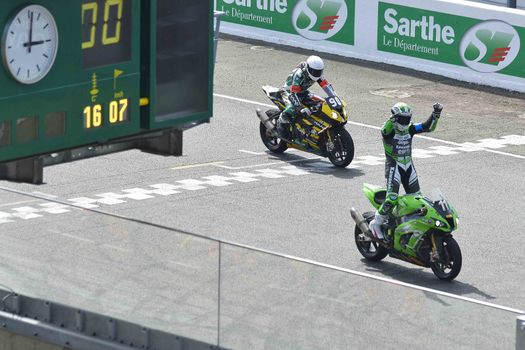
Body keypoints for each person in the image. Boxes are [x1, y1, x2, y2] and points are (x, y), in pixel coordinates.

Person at [369, 102, 443, 240]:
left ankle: (407, 226)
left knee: (417, 199)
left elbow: (428, 127)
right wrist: (392, 120)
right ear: (395, 118)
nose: (405, 122)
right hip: (394, 167)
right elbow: (385, 131)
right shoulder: (388, 130)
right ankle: (376, 223)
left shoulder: (410, 129)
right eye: (402, 119)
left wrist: (436, 114)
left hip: (409, 167)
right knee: (391, 198)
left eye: (407, 118)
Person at [277, 55, 337, 139]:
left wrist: (334, 97)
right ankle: (282, 120)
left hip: (302, 92)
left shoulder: (318, 75)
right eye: (314, 71)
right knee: (292, 108)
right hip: (288, 92)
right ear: (308, 68)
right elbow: (293, 94)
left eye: (318, 71)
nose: (316, 74)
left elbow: (326, 87)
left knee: (322, 102)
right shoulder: (299, 74)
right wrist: (301, 108)